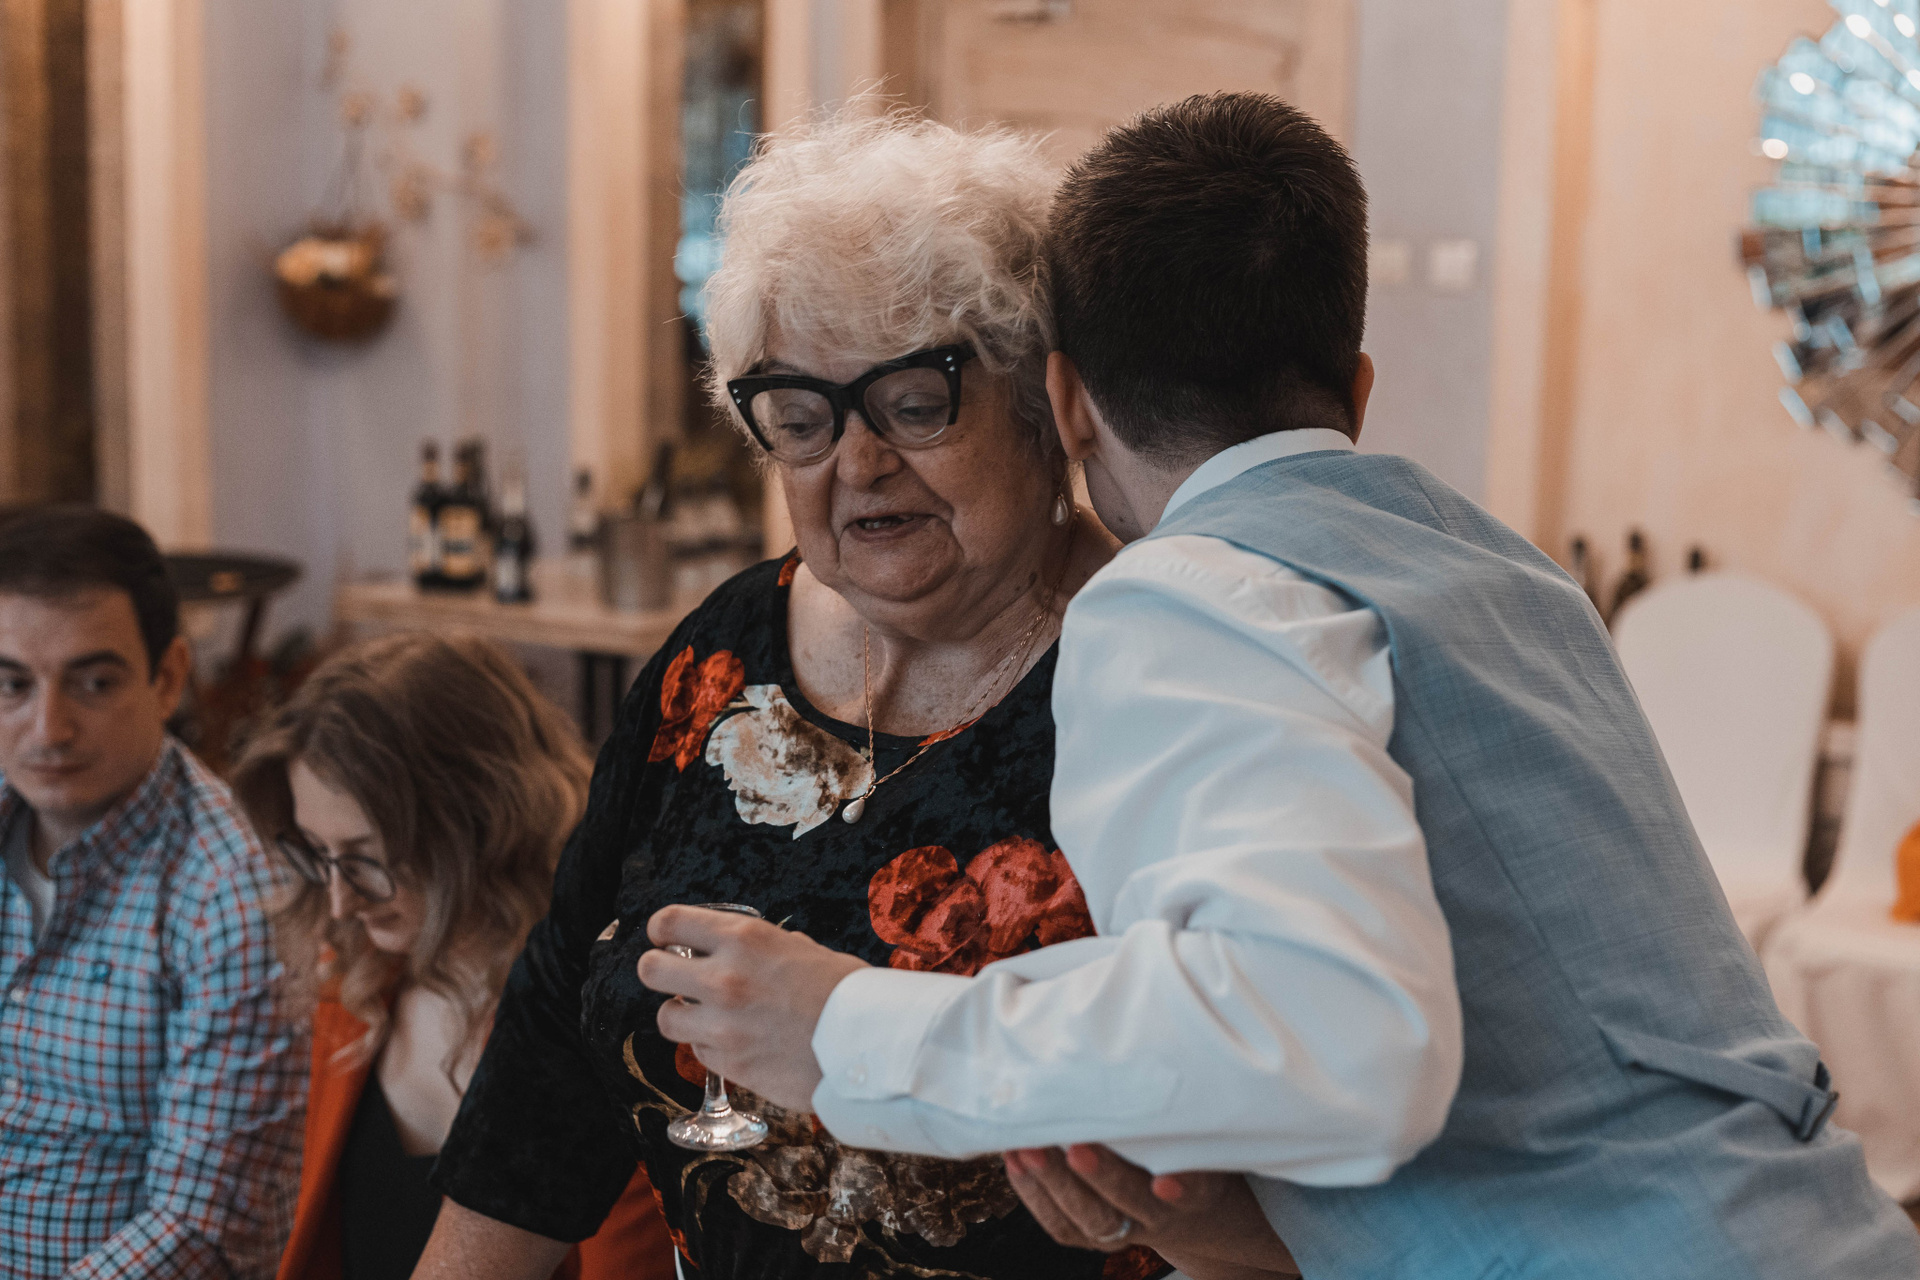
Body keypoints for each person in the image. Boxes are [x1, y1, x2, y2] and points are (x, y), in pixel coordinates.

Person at [646, 93, 1920, 1279]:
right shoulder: (1516, 577)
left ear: (1065, 404)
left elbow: (1341, 1038)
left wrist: (847, 1027)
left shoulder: (1190, 590)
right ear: (1356, 387)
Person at [407, 112, 1255, 1280]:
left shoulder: (1168, 677)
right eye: (802, 418)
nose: (856, 463)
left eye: (913, 402)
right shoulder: (720, 655)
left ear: (1046, 402)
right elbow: (556, 1030)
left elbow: (1296, 1163)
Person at [227, 632, 674, 1280]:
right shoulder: (354, 982)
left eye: (367, 859)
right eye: (319, 855)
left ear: (482, 820)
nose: (340, 903)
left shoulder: (605, 1011)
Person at [0, 504, 303, 1279]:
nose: (47, 728)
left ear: (167, 679)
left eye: (93, 683)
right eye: (12, 685)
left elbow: (204, 1231)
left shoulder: (234, 899)